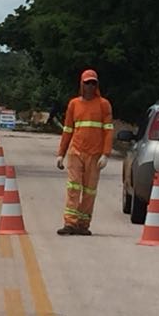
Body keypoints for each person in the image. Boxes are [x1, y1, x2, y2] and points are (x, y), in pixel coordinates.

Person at [55, 69, 115, 236]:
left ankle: (83, 224)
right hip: (76, 152)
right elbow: (67, 130)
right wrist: (61, 153)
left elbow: (108, 130)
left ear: (96, 85)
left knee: (89, 190)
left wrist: (106, 154)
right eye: (87, 82)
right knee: (73, 187)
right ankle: (70, 223)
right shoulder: (74, 104)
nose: (90, 86)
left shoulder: (104, 105)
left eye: (93, 83)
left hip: (95, 155)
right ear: (82, 84)